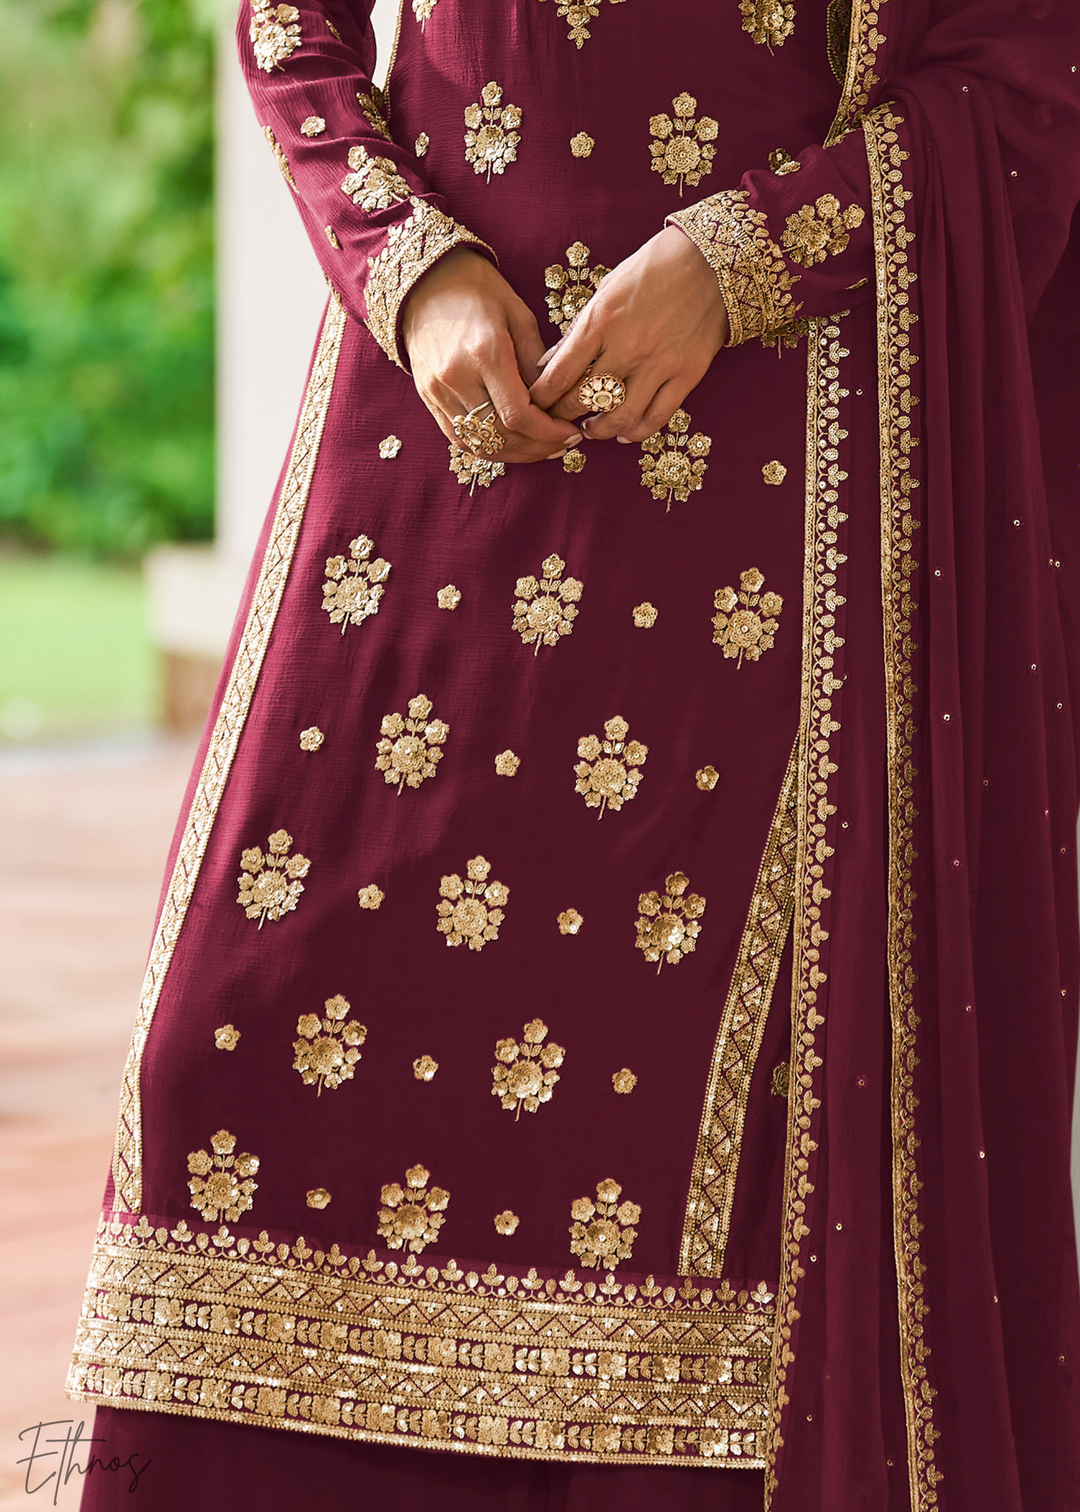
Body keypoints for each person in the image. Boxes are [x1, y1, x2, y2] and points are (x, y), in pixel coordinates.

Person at [69, 1, 1080, 1508]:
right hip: (434, 429)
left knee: (707, 1133)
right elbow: (291, 23)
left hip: (775, 484)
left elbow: (1025, 80)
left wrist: (742, 259)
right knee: (220, 1057)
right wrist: (408, 264)